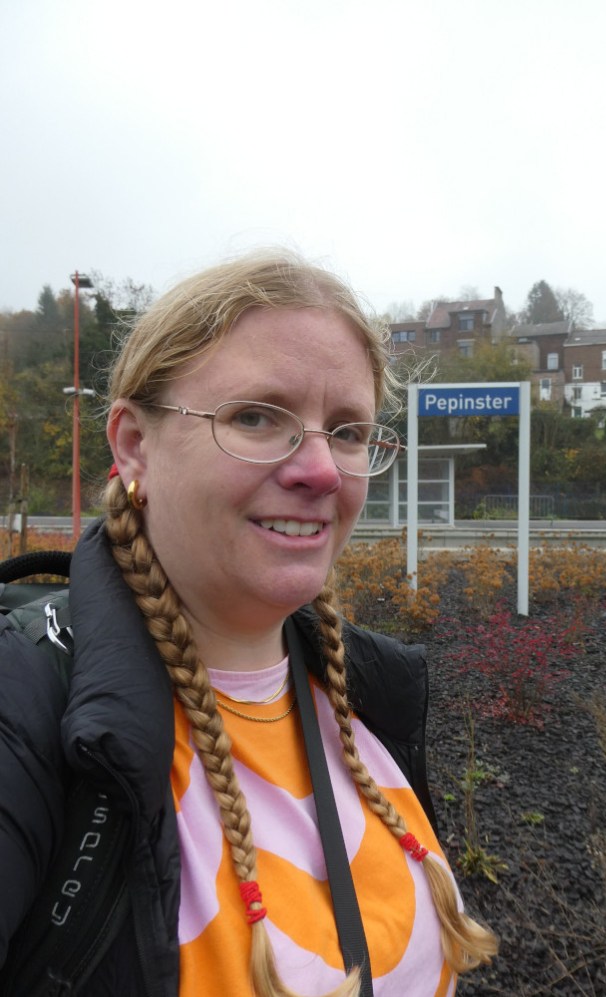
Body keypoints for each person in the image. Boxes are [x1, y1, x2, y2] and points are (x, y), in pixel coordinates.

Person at [0, 251, 497, 996]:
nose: (323, 469)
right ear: (134, 444)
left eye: (350, 430)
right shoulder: (27, 704)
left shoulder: (372, 695)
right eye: (257, 417)